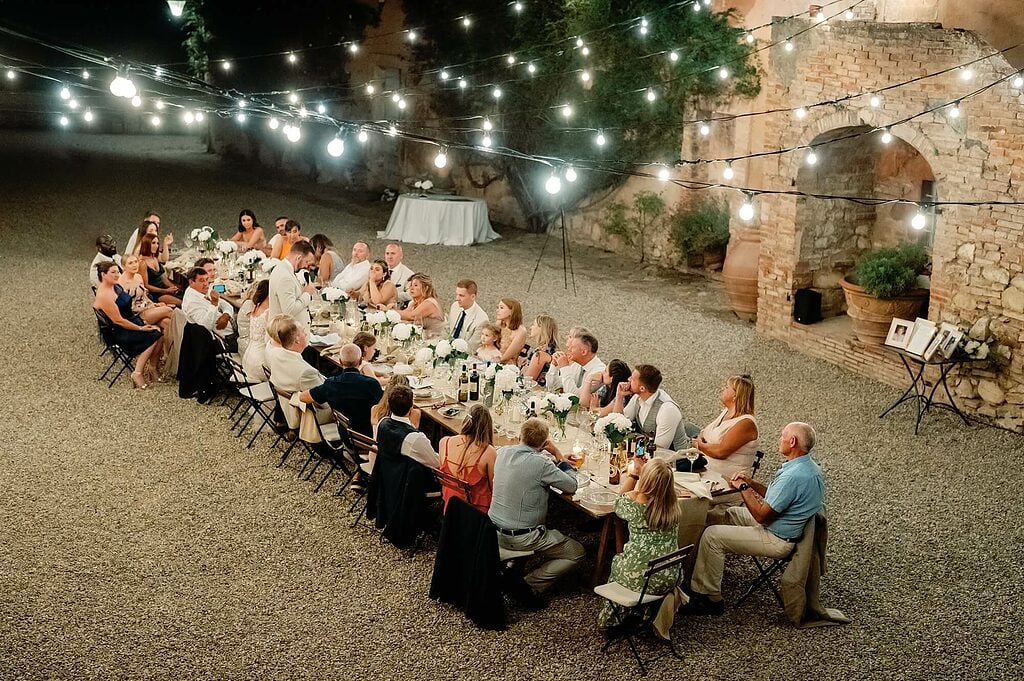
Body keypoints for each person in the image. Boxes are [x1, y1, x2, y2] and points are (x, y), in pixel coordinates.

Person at [685, 422, 825, 616]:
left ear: (792, 442)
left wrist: (743, 488)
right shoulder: (808, 467)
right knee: (721, 515)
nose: (779, 439)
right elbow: (777, 500)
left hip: (777, 537)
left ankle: (709, 598)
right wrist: (751, 483)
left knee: (712, 535)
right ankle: (699, 570)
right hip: (778, 523)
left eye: (782, 435)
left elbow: (761, 514)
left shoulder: (793, 476)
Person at [489, 418, 583, 604]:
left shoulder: (502, 452)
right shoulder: (542, 464)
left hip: (492, 531)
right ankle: (526, 584)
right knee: (577, 552)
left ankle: (515, 570)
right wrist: (559, 456)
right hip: (523, 538)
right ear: (543, 444)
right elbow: (571, 485)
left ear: (520, 436)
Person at [598, 457, 681, 628]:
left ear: (645, 480)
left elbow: (618, 500)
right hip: (671, 575)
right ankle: (646, 613)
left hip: (642, 579)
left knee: (617, 562)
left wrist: (633, 477)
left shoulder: (634, 507)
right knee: (634, 563)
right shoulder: (674, 508)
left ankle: (612, 620)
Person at [92, 261, 163, 389]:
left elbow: (127, 309)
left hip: (129, 320)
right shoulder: (104, 296)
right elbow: (118, 321)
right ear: (103, 275)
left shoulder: (115, 286)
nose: (116, 275)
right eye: (113, 272)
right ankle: (137, 372)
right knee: (154, 335)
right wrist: (140, 327)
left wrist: (143, 319)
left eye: (118, 272)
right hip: (119, 331)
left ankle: (152, 367)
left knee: (160, 329)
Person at [300, 343, 384, 437]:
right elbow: (386, 408)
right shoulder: (371, 384)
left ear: (340, 361)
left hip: (344, 434)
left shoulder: (331, 384)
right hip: (369, 436)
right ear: (360, 361)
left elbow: (303, 397)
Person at [609, 364, 693, 451]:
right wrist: (619, 396)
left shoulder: (667, 410)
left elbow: (660, 449)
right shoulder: (638, 398)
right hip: (645, 454)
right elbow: (617, 424)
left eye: (633, 379)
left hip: (675, 459)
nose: (628, 380)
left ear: (642, 388)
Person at [695, 375, 759, 479]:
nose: (722, 389)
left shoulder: (746, 423)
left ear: (736, 395)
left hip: (729, 482)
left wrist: (699, 445)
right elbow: (705, 434)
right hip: (706, 473)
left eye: (726, 387)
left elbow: (720, 452)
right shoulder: (726, 412)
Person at [438, 404, 496, 514]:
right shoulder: (488, 452)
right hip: (477, 515)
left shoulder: (444, 442)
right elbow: (495, 489)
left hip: (450, 509)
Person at [374, 385, 439, 469]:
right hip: (406, 479)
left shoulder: (382, 423)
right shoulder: (415, 438)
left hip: (384, 477)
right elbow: (435, 463)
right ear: (411, 406)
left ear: (389, 405)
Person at [268, 240, 318, 331]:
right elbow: (289, 310)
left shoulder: (283, 268)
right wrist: (307, 294)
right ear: (298, 258)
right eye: (306, 262)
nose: (307, 266)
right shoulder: (285, 276)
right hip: (286, 335)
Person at [118, 254, 172, 333]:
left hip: (147, 308)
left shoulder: (138, 277)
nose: (134, 265)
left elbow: (144, 296)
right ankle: (188, 333)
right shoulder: (121, 283)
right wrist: (149, 308)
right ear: (123, 266)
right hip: (137, 315)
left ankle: (170, 344)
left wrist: (154, 304)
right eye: (130, 263)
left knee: (168, 323)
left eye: (136, 262)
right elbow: (126, 309)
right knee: (169, 310)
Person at [546, 332, 605, 396]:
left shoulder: (599, 371)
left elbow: (574, 396)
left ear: (584, 352)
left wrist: (564, 367)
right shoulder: (577, 365)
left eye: (572, 347)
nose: (568, 349)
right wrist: (554, 366)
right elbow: (553, 386)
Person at [181, 267, 234, 336]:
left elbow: (226, 304)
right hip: (226, 338)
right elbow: (205, 327)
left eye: (206, 279)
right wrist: (214, 304)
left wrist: (226, 315)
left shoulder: (201, 290)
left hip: (232, 326)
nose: (206, 284)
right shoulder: (191, 302)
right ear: (191, 282)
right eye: (201, 280)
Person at [239, 280, 271, 382]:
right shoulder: (268, 312)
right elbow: (268, 340)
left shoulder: (255, 306)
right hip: (260, 364)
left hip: (248, 359)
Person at [138, 233, 181, 306]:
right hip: (154, 294)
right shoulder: (142, 263)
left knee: (182, 293)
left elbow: (164, 279)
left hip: (164, 289)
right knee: (181, 302)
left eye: (157, 243)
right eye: (153, 243)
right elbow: (146, 285)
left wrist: (173, 287)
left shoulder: (155, 258)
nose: (156, 246)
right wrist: (165, 290)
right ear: (147, 244)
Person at [447, 279, 488, 351]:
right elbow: (448, 329)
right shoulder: (455, 306)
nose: (457, 299)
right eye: (457, 294)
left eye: (461, 296)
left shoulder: (482, 320)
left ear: (473, 297)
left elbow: (471, 348)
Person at [522, 315, 559, 386]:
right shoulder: (551, 349)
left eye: (533, 324)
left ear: (541, 328)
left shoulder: (541, 354)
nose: (531, 327)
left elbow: (527, 381)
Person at [496, 297, 528, 364]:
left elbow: (505, 358)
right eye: (498, 307)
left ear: (511, 311)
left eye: (501, 308)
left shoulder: (521, 331)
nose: (497, 310)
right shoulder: (499, 324)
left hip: (507, 368)